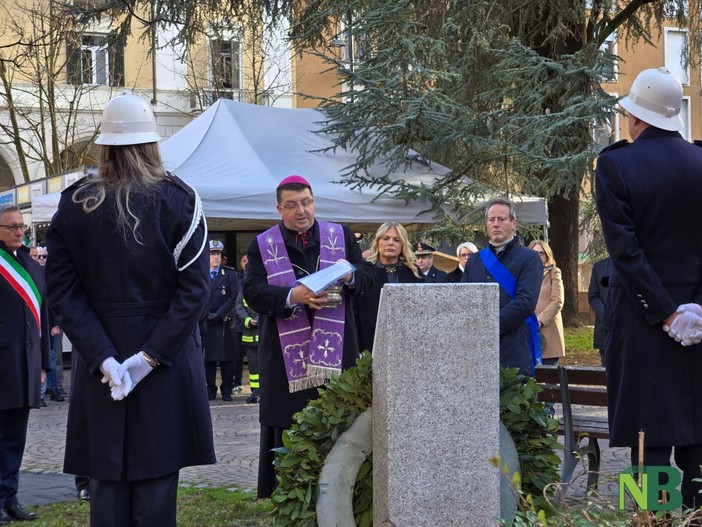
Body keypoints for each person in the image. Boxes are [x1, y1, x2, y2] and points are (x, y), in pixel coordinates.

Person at [45, 91, 215, 526]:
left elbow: (64, 293)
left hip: (100, 359)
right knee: (157, 483)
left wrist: (104, 356)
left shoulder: (74, 203)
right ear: (152, 143)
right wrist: (149, 357)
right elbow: (194, 292)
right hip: (164, 360)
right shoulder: (182, 199)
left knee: (106, 482)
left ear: (105, 144)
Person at [595, 67, 702, 511]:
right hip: (700, 321)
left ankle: (649, 521)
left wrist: (665, 311)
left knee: (646, 446)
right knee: (699, 443)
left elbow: (626, 252)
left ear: (637, 118)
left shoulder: (616, 164)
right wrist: (695, 308)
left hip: (642, 323)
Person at [243, 174, 373, 499]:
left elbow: (368, 275)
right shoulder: (262, 244)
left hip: (337, 354)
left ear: (313, 201)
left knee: (339, 426)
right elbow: (253, 292)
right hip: (288, 365)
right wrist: (292, 297)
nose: (301, 211)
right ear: (279, 208)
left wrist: (351, 275)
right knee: (291, 430)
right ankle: (291, 500)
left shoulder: (340, 235)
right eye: (292, 205)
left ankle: (342, 497)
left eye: (306, 202)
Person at [0, 204, 50, 524]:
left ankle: (10, 498)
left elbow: (42, 318)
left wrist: (43, 363)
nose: (19, 231)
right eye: (11, 226)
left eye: (21, 226)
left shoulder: (32, 267)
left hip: (24, 366)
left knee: (16, 438)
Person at [461, 198, 542, 376]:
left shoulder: (530, 258)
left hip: (513, 345)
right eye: (491, 219)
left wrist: (488, 325)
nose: (495, 224)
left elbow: (525, 301)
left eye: (502, 219)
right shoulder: (474, 260)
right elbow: (463, 300)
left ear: (514, 223)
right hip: (477, 347)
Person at [355, 222, 423, 352]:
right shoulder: (366, 272)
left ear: (402, 245)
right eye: (385, 238)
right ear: (378, 242)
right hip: (371, 343)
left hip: (407, 343)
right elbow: (356, 313)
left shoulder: (414, 273)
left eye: (396, 240)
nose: (390, 243)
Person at [202, 240, 240, 402]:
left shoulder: (229, 274)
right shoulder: (200, 273)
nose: (215, 257)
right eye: (212, 254)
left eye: (217, 254)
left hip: (224, 321)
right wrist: (205, 314)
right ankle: (210, 389)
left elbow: (233, 298)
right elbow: (196, 295)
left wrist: (219, 314)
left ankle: (226, 390)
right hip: (206, 321)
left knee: (227, 359)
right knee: (208, 359)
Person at [528, 240, 565, 366]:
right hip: (528, 332)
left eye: (541, 253)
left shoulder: (553, 272)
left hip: (548, 331)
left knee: (550, 380)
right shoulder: (524, 274)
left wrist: (539, 320)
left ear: (547, 255)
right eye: (534, 253)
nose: (537, 256)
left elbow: (558, 301)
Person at [235, 291, 260, 403]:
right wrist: (248, 320)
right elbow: (239, 307)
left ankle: (266, 392)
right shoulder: (244, 290)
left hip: (263, 335)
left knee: (266, 367)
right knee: (254, 368)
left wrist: (260, 320)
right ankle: (255, 392)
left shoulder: (264, 286)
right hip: (249, 336)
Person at [587, 256, 611, 367]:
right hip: (605, 330)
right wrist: (606, 315)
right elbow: (593, 296)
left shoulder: (635, 265)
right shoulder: (599, 267)